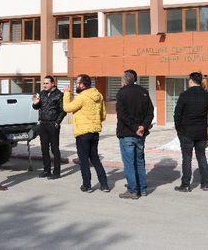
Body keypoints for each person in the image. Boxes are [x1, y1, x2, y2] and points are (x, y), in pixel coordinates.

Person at [63, 74, 110, 193]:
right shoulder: (98, 95)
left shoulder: (82, 97)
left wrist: (66, 93)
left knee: (83, 160)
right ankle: (104, 185)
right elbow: (103, 115)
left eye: (77, 83)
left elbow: (67, 108)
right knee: (95, 159)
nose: (76, 85)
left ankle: (87, 185)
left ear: (82, 85)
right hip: (94, 132)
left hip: (83, 133)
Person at [115, 70, 154, 199]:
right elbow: (150, 113)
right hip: (140, 134)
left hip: (128, 133)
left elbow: (122, 115)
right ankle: (142, 189)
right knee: (140, 162)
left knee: (129, 163)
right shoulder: (143, 91)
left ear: (125, 80)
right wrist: (143, 126)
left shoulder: (122, 93)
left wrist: (136, 127)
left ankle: (132, 190)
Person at [173, 72, 208, 192]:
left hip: (186, 131)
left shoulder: (184, 95)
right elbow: (207, 112)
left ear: (190, 81)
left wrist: (178, 129)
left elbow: (177, 114)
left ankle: (185, 184)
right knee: (201, 156)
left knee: (187, 158)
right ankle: (205, 184)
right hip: (201, 131)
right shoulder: (207, 96)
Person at [32, 75, 66, 179]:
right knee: (44, 149)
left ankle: (56, 172)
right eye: (44, 83)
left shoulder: (59, 95)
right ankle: (47, 170)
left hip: (53, 125)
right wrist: (35, 104)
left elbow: (63, 110)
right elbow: (37, 107)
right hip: (43, 124)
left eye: (47, 83)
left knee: (54, 149)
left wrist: (57, 122)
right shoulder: (42, 94)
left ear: (53, 84)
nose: (45, 85)